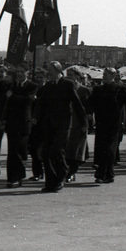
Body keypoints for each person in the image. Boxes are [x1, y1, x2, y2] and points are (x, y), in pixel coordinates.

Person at [87, 67, 126, 183]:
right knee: (100, 149)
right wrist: (89, 113)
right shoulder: (98, 89)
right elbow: (90, 103)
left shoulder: (120, 89)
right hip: (101, 123)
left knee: (109, 149)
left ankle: (104, 174)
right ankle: (105, 174)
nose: (104, 77)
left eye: (107, 75)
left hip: (114, 124)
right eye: (104, 74)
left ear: (113, 76)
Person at [34, 61, 87, 193]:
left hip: (63, 125)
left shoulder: (67, 84)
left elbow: (77, 103)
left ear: (58, 71)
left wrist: (84, 122)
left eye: (51, 70)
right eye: (47, 71)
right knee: (46, 153)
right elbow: (41, 105)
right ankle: (51, 183)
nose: (48, 73)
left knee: (57, 151)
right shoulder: (48, 86)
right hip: (49, 124)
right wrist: (36, 118)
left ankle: (62, 174)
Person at [0, 63, 38, 188]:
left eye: (22, 72)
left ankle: (19, 176)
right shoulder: (12, 86)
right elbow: (6, 105)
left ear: (27, 73)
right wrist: (3, 119)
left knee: (19, 149)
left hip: (24, 122)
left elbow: (28, 101)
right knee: (12, 150)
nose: (19, 74)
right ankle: (12, 177)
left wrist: (13, 97)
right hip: (12, 122)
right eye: (18, 72)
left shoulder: (32, 86)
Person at [64, 68, 91, 183]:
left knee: (77, 149)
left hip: (79, 122)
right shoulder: (64, 88)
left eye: (71, 75)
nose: (69, 77)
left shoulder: (84, 90)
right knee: (67, 149)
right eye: (67, 75)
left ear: (77, 76)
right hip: (66, 121)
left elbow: (89, 109)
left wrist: (87, 123)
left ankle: (72, 172)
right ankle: (68, 171)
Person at [27, 68, 48, 181]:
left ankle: (44, 171)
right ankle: (37, 172)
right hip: (33, 122)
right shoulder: (33, 88)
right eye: (37, 77)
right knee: (34, 149)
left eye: (41, 77)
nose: (39, 79)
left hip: (44, 122)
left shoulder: (47, 89)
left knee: (43, 149)